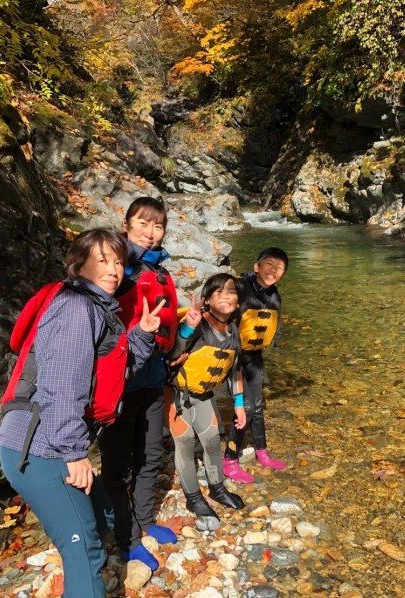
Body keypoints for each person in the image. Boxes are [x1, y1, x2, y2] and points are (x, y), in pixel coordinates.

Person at [0, 228, 162, 598]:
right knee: (84, 550)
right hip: (41, 447)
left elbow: (110, 374)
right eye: (102, 260)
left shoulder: (97, 309)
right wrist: (74, 454)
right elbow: (62, 389)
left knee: (104, 515)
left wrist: (144, 333)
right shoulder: (76, 308)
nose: (114, 269)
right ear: (78, 265)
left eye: (119, 261)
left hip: (45, 440)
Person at [98, 197, 180, 571]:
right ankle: (126, 537)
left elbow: (167, 327)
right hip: (119, 382)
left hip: (151, 378)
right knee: (118, 466)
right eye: (143, 223)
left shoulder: (161, 272)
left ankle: (145, 520)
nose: (150, 232)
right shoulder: (116, 268)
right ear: (127, 223)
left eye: (158, 226)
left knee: (150, 456)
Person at [168, 273, 247, 518]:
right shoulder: (198, 324)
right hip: (175, 394)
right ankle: (193, 498)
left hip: (202, 395)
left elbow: (235, 369)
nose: (226, 296)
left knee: (213, 441)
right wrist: (187, 328)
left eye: (231, 291)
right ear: (207, 301)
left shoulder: (233, 330)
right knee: (186, 442)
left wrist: (240, 404)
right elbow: (172, 353)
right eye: (218, 292)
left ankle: (217, 488)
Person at [223, 247, 289, 484]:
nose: (273, 270)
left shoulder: (274, 297)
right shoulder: (239, 287)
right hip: (232, 358)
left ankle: (262, 452)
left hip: (254, 356)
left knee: (258, 405)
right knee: (247, 407)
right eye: (269, 264)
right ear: (256, 266)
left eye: (279, 268)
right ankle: (230, 460)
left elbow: (272, 327)